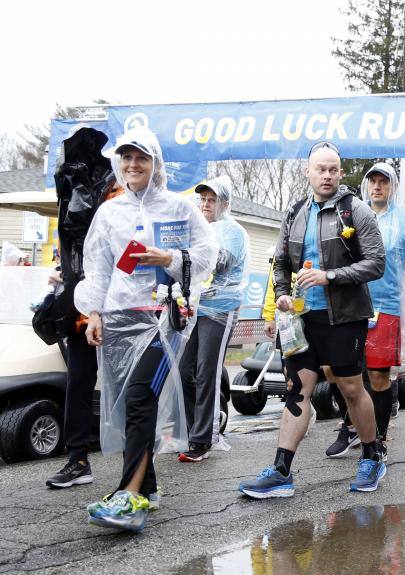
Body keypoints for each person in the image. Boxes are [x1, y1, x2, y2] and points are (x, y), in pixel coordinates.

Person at [75, 127, 217, 531]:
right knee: (126, 408)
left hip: (163, 317)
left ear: (155, 164)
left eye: (142, 158)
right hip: (119, 318)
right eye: (127, 158)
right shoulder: (110, 212)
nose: (133, 165)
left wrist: (170, 256)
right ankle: (148, 487)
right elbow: (97, 266)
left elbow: (209, 253)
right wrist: (94, 313)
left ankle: (130, 497)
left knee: (139, 398)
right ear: (119, 163)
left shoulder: (178, 207)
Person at [238, 141, 387, 498]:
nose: (328, 175)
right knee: (296, 388)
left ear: (340, 173)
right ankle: (281, 470)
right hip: (301, 321)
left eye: (334, 169)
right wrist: (283, 294)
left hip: (344, 317)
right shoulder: (294, 213)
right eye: (321, 169)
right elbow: (280, 264)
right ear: (308, 171)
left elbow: (376, 263)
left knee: (351, 388)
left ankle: (372, 455)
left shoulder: (356, 211)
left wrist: (329, 276)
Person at [325, 162, 405, 459]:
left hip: (387, 307)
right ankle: (351, 424)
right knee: (337, 371)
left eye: (384, 181)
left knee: (378, 377)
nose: (377, 186)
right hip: (353, 304)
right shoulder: (353, 214)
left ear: (392, 186)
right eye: (373, 181)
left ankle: (378, 437)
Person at [45, 128, 122, 489]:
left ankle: (140, 467)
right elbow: (70, 242)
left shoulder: (115, 189)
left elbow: (117, 249)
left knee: (128, 385)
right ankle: (77, 458)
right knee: (78, 381)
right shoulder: (69, 190)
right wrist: (63, 275)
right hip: (81, 304)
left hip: (119, 305)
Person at [178, 176, 249, 462]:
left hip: (221, 309)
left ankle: (203, 438)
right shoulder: (197, 230)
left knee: (207, 370)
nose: (206, 205)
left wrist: (188, 253)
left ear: (225, 204)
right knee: (184, 370)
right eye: (203, 200)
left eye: (212, 200)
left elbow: (219, 262)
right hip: (196, 308)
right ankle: (193, 427)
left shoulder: (232, 231)